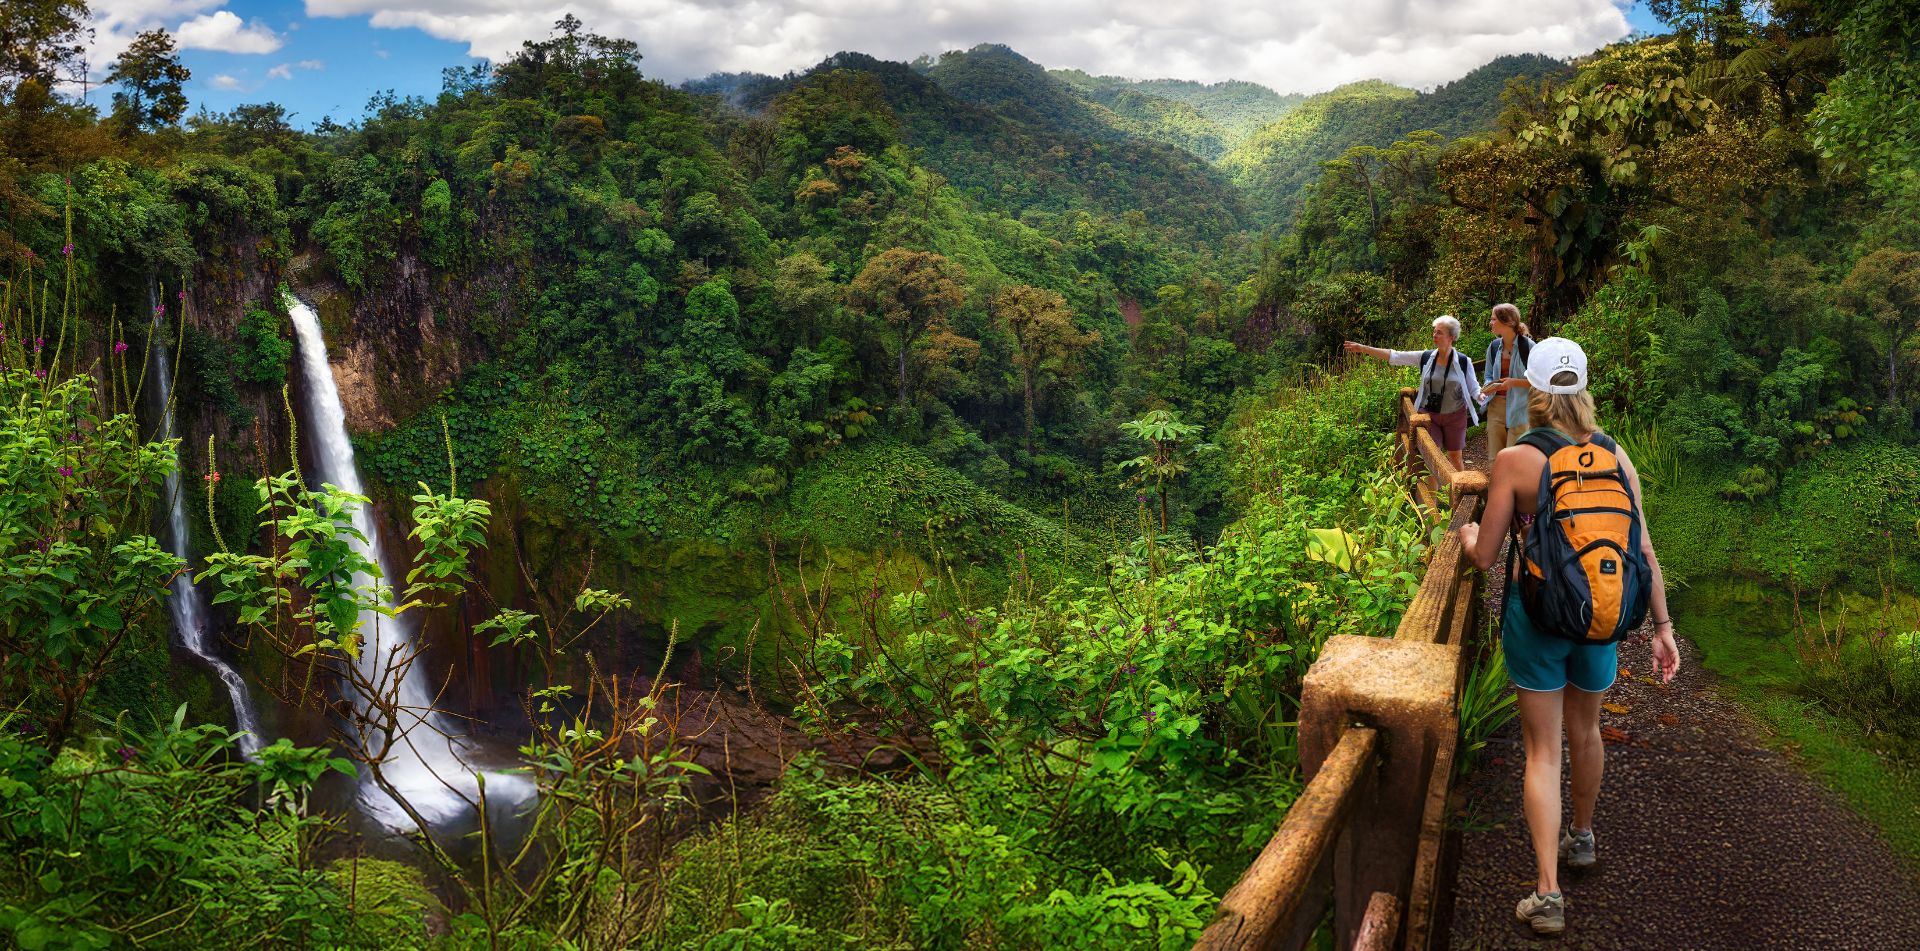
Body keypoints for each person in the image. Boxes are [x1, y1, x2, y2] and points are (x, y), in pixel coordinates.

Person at [1458, 337, 1682, 936]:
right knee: (1586, 731)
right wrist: (1661, 628)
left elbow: (1484, 556)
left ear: (1533, 387)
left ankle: (1549, 895)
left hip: (1536, 619)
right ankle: (1582, 838)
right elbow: (1643, 549)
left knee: (1542, 751)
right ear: (1582, 386)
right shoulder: (1616, 454)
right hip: (1601, 618)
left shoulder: (1516, 462)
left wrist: (1462, 535)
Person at [1344, 315, 1482, 472]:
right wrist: (1363, 348)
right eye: (1434, 331)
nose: (1434, 335)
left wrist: (1481, 395)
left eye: (1439, 333)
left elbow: (1474, 388)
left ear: (1451, 337)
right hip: (1430, 415)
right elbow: (1394, 356)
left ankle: (1459, 492)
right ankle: (1434, 496)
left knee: (1455, 458)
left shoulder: (1464, 361)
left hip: (1455, 415)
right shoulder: (1425, 356)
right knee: (1431, 459)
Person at [1480, 303, 1534, 458]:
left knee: (1514, 457)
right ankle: (1496, 483)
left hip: (1520, 408)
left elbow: (1538, 381)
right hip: (1495, 407)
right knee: (1495, 457)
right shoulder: (1493, 347)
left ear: (1507, 322)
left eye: (1493, 319)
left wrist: (1513, 382)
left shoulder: (1529, 347)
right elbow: (1488, 375)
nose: (1491, 323)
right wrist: (1488, 387)